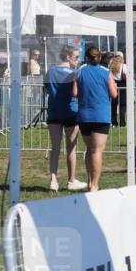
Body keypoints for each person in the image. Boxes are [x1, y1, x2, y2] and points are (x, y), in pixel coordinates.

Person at [45, 46, 87, 193]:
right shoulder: (75, 73)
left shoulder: (50, 72)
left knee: (55, 148)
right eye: (76, 57)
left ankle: (53, 180)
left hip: (54, 112)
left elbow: (46, 90)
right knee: (71, 148)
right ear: (68, 57)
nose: (78, 60)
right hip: (70, 112)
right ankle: (71, 179)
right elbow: (77, 92)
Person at [76, 45, 117, 192]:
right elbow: (114, 94)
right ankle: (95, 184)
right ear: (99, 57)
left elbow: (74, 92)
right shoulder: (106, 72)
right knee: (97, 151)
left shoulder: (80, 71)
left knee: (89, 149)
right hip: (101, 115)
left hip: (84, 115)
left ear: (86, 57)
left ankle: (89, 182)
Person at [108, 52, 127, 127]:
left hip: (113, 85)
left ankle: (114, 122)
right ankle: (122, 123)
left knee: (113, 105)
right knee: (123, 105)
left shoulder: (110, 66)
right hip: (123, 86)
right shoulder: (124, 66)